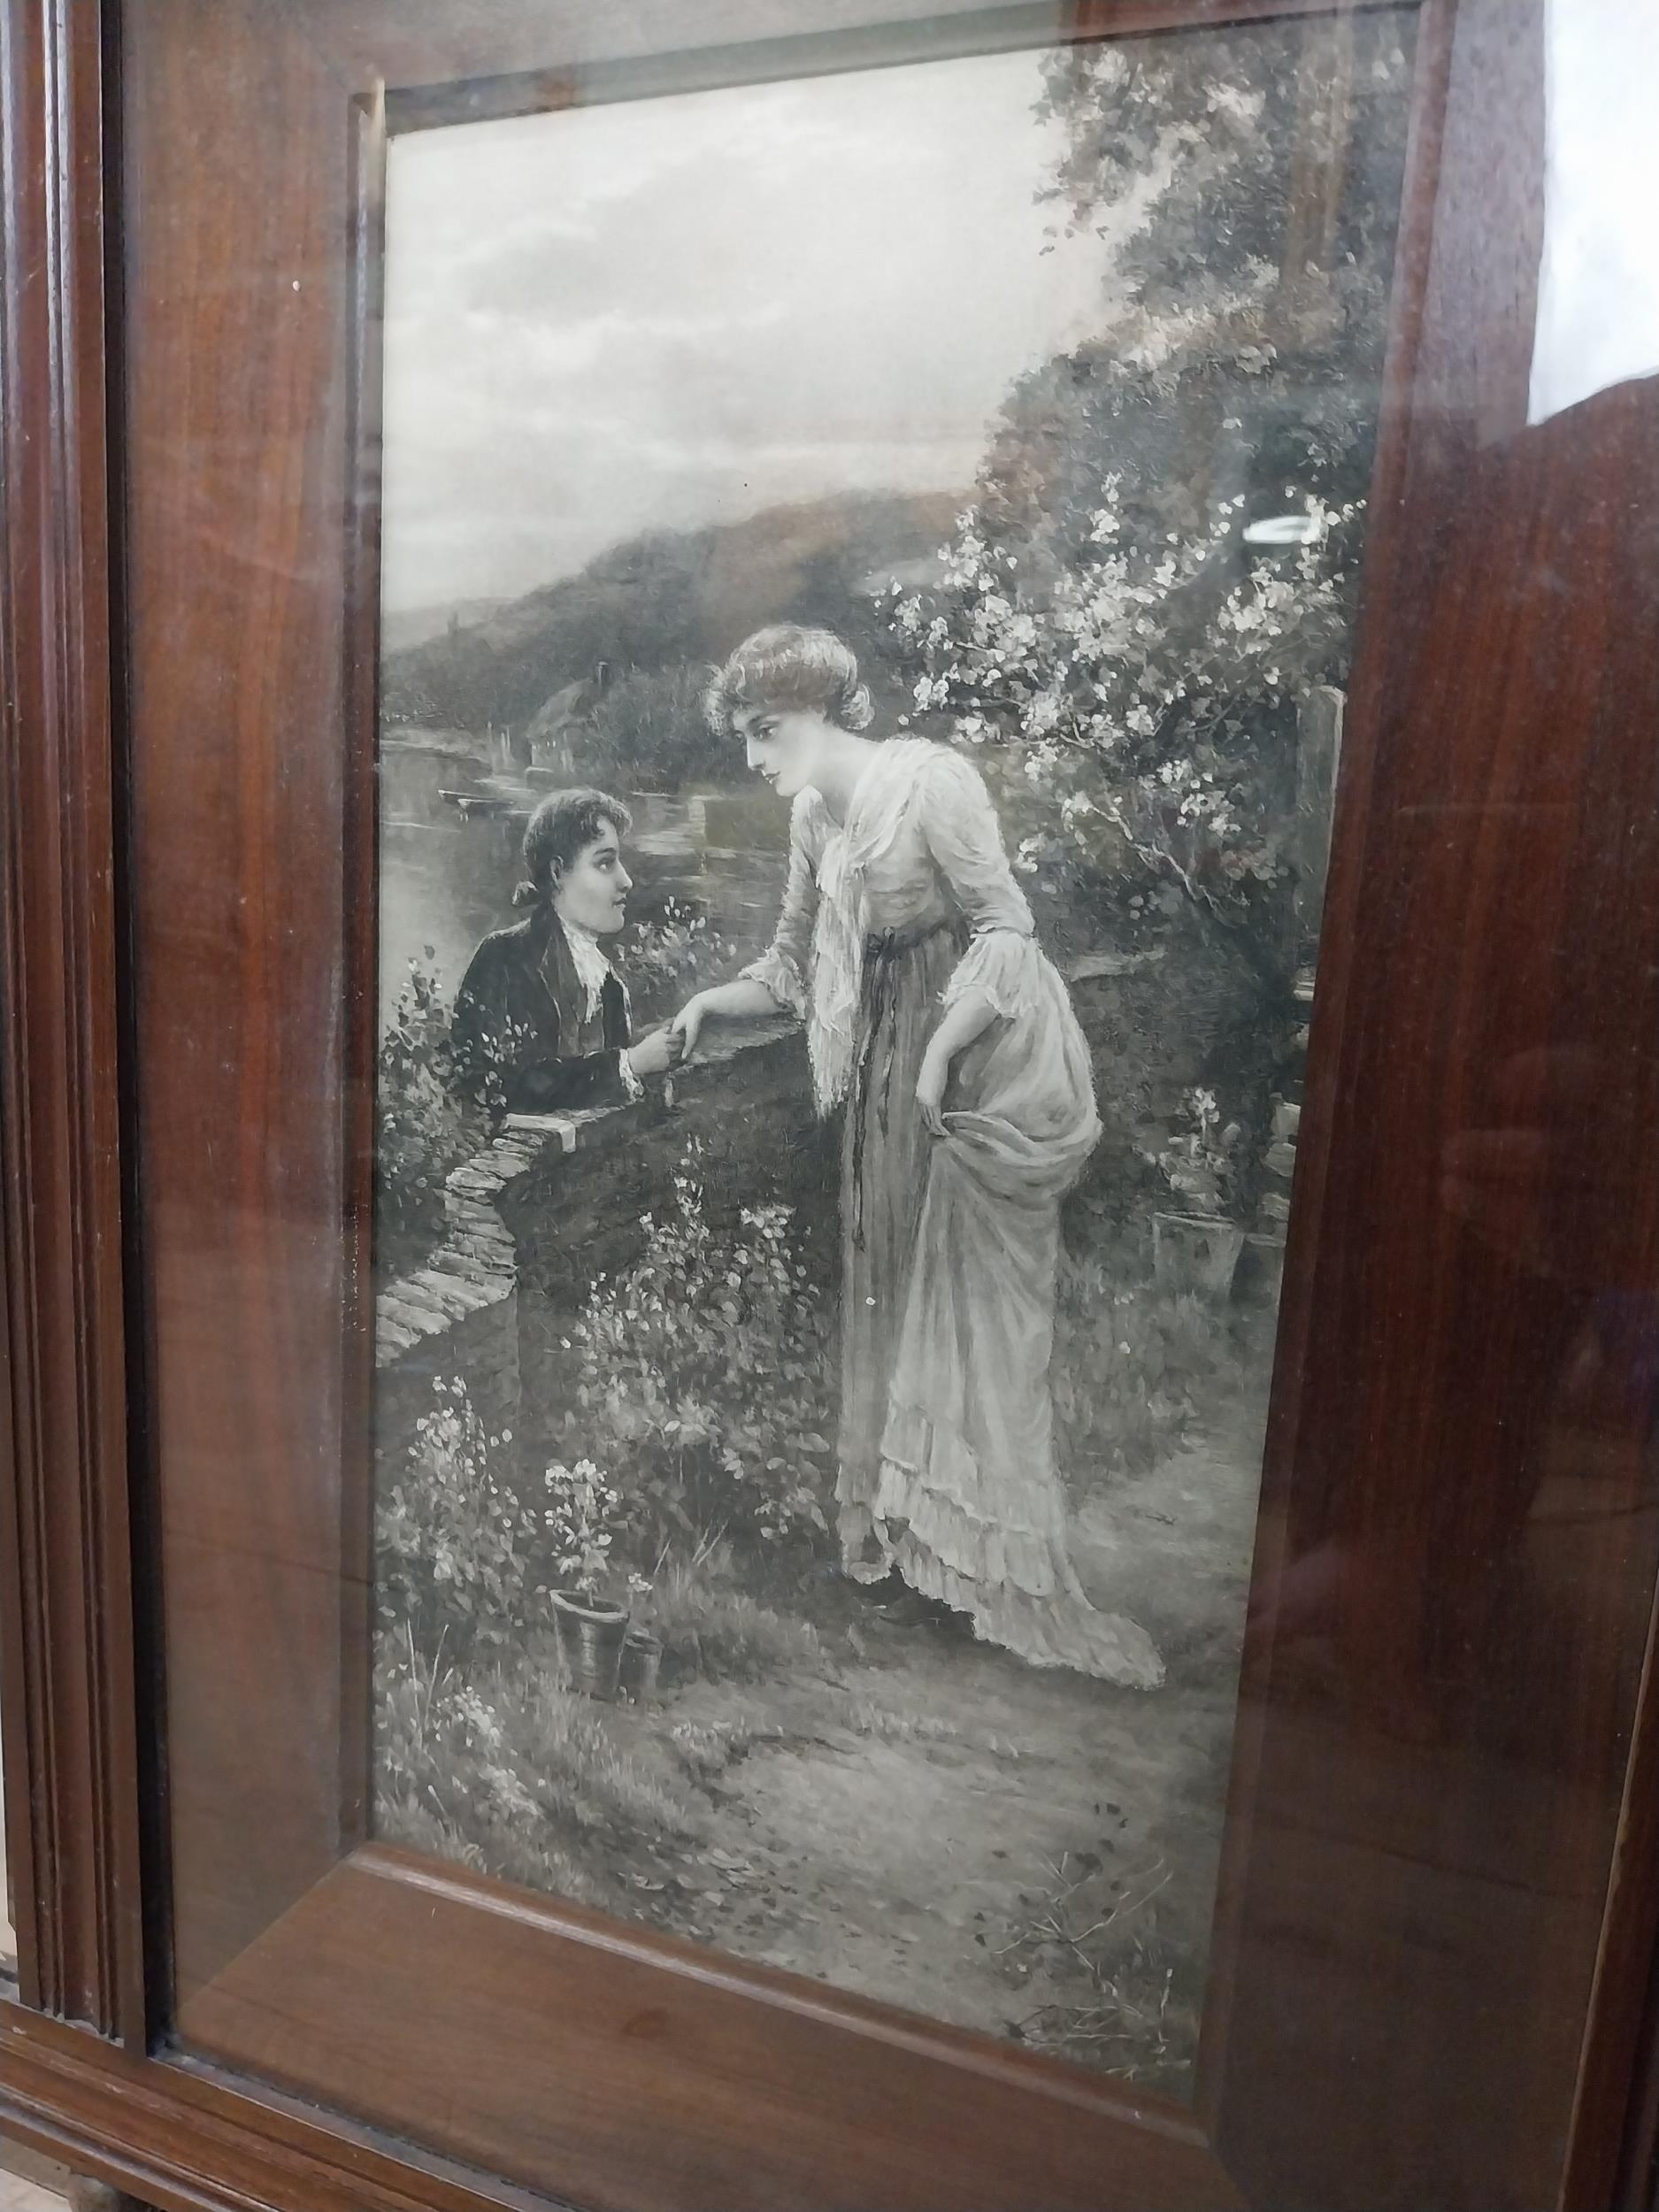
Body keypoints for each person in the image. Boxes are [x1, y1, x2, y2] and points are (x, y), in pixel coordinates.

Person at [671, 626, 1162, 1687]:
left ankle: (981, 1559)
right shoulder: (813, 816)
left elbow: (1009, 929)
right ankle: (903, 1548)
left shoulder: (933, 783)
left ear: (824, 712)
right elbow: (793, 969)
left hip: (956, 1060)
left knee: (965, 1312)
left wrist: (939, 1051)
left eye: (770, 731)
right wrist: (709, 1003)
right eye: (747, 738)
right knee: (886, 1293)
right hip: (875, 1078)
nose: (757, 758)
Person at [451, 787, 677, 1115]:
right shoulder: (503, 957)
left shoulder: (609, 983)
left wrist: (657, 1039)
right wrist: (630, 1062)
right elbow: (491, 1086)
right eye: (604, 864)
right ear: (558, 874)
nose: (626, 880)